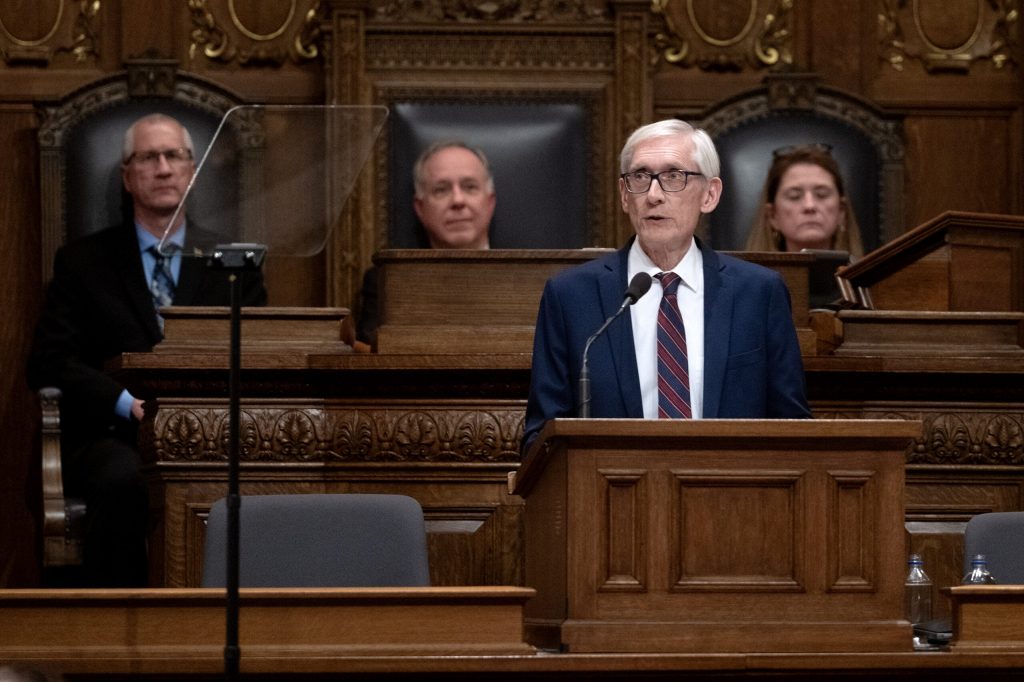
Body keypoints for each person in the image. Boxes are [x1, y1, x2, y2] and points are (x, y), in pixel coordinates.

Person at [27, 113, 267, 586]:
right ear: (127, 175)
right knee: (124, 482)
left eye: (173, 156)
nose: (162, 168)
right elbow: (50, 361)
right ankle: (123, 638)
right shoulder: (82, 262)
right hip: (112, 437)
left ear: (191, 171)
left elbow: (259, 352)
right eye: (148, 157)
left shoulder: (232, 261)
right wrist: (126, 405)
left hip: (213, 433)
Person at [522, 119, 810, 453]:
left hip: (728, 497)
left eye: (674, 177)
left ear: (710, 194)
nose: (654, 195)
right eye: (640, 178)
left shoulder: (759, 293)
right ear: (624, 195)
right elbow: (539, 436)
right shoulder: (572, 296)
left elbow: (793, 430)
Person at [355, 140, 496, 347]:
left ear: (490, 202)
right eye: (441, 190)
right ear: (420, 208)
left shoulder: (530, 278)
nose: (458, 200)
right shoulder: (386, 283)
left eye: (470, 187)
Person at [744, 143, 865, 256]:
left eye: (821, 194)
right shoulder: (747, 278)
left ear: (841, 211)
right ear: (773, 215)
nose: (809, 205)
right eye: (794, 196)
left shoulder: (868, 278)